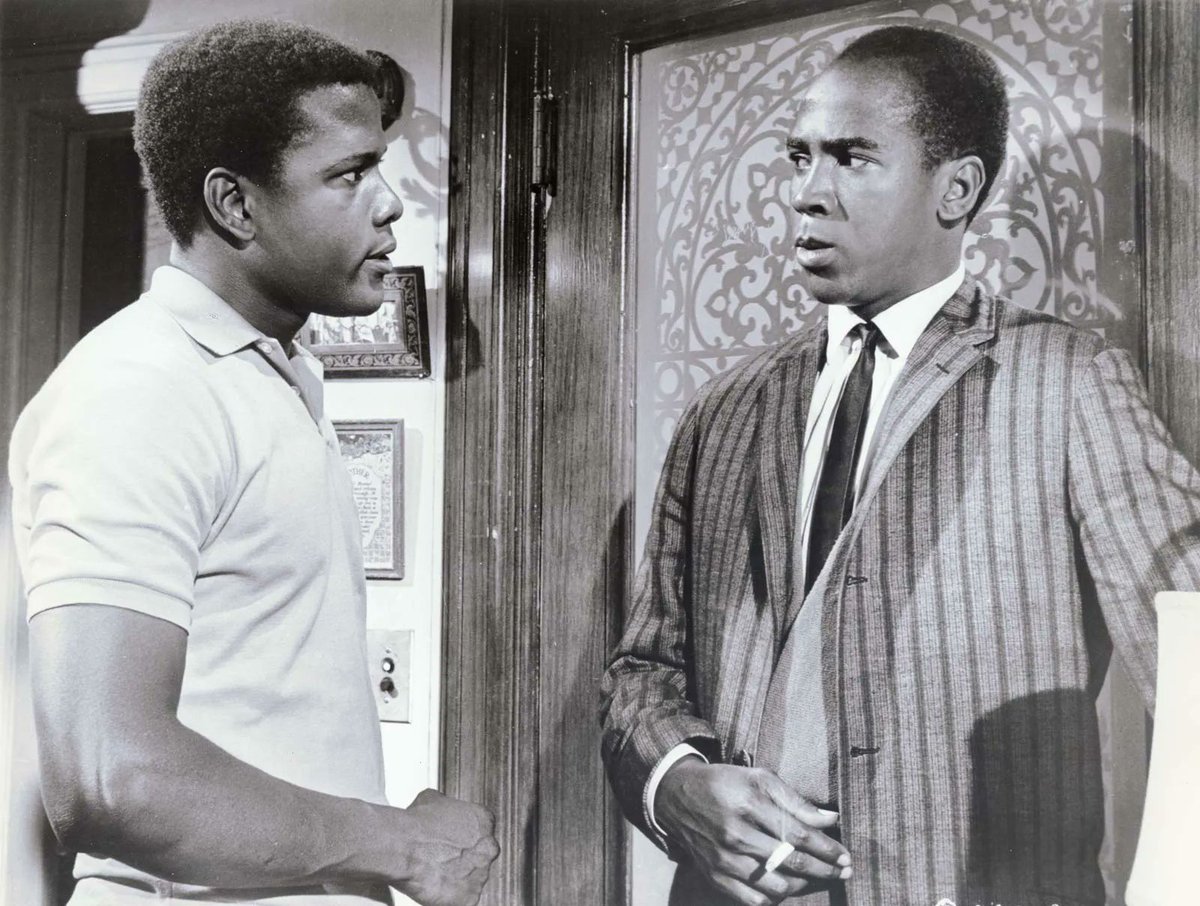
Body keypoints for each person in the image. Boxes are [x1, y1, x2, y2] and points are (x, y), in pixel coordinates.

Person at [600, 25, 1200, 906]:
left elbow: (1189, 649)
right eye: (800, 157)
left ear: (956, 188)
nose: (807, 192)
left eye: (852, 158)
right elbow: (641, 671)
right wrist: (676, 784)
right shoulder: (721, 411)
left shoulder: (1068, 382)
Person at [8, 20, 498, 906]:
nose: (389, 203)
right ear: (235, 205)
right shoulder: (138, 388)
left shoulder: (272, 373)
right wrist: (402, 844)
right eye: (349, 174)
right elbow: (111, 777)